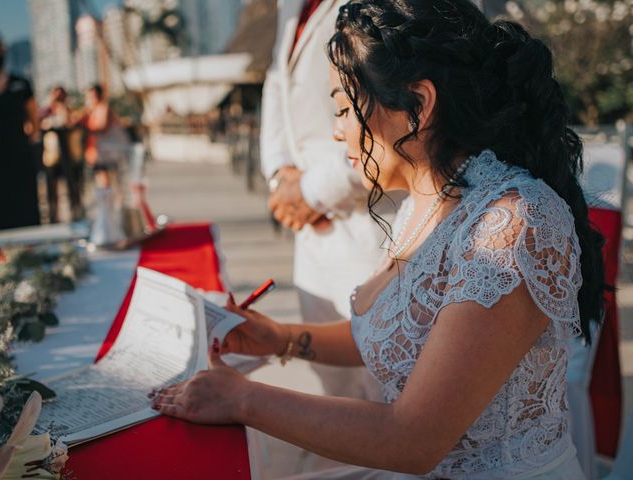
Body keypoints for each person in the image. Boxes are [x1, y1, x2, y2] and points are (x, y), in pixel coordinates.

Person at [152, 1, 606, 478]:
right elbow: (403, 334)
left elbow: (412, 439)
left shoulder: (510, 224)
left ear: (418, 105)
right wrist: (282, 338)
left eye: (345, 108)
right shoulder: (422, 204)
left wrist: (243, 399)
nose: (335, 132)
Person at [261, 0, 400, 399]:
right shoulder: (290, 7)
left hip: (377, 220)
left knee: (385, 381)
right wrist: (280, 175)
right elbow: (277, 81)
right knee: (331, 385)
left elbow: (395, 116)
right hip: (311, 231)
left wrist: (311, 192)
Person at [0, 30, 41, 231]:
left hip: (19, 158)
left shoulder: (21, 84)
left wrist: (26, 141)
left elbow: (34, 121)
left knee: (25, 212)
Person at [39, 86, 84, 222]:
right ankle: (54, 215)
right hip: (52, 156)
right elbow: (37, 117)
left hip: (68, 155)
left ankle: (75, 211)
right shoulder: (47, 112)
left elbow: (71, 121)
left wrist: (62, 109)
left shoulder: (69, 110)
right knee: (51, 187)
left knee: (72, 185)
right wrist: (49, 103)